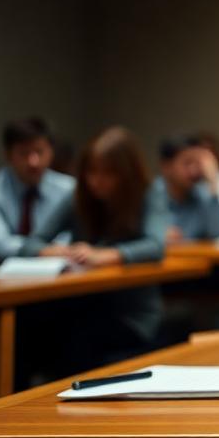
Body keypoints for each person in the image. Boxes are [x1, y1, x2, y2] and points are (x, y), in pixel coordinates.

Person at [31, 127, 169, 374]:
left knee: (76, 340)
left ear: (126, 174)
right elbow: (35, 240)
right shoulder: (79, 196)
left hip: (130, 314)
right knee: (31, 327)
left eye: (108, 173)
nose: (97, 181)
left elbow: (156, 246)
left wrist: (103, 255)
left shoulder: (148, 194)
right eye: (91, 172)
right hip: (80, 302)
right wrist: (56, 251)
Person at [0, 117, 75, 264]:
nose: (33, 162)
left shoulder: (69, 188)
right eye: (24, 153)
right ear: (8, 155)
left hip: (53, 269)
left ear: (51, 152)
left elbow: (70, 236)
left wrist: (57, 250)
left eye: (39, 152)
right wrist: (40, 250)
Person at [152, 135, 219, 242]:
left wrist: (213, 183)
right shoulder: (152, 195)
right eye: (187, 163)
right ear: (166, 166)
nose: (194, 171)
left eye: (197, 163)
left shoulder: (200, 194)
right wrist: (158, 234)